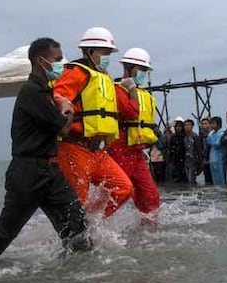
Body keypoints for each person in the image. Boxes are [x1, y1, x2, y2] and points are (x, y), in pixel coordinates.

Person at [0, 38, 92, 266]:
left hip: (50, 170)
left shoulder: (46, 92)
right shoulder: (31, 92)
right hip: (28, 173)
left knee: (78, 225)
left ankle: (78, 275)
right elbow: (63, 127)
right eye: (57, 60)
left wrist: (59, 104)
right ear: (40, 61)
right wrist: (67, 109)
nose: (62, 65)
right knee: (6, 231)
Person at [52, 27, 133, 217]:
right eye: (104, 53)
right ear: (88, 51)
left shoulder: (104, 77)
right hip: (74, 148)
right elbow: (59, 95)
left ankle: (91, 224)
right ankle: (75, 235)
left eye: (109, 53)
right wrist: (63, 105)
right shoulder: (76, 71)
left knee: (123, 188)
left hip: (96, 150)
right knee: (77, 201)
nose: (107, 57)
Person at [107, 47, 161, 218]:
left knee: (151, 195)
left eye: (146, 71)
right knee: (116, 193)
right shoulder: (117, 90)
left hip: (137, 151)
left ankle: (149, 228)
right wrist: (130, 89)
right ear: (129, 68)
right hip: (120, 150)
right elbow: (131, 112)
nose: (143, 74)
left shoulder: (143, 94)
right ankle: (93, 223)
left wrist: (143, 146)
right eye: (141, 70)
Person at [205, 116, 226, 185]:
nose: (212, 125)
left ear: (218, 124)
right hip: (212, 159)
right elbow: (207, 141)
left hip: (219, 159)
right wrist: (211, 138)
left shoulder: (222, 132)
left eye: (213, 123)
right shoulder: (212, 133)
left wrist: (211, 139)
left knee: (221, 179)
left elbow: (217, 144)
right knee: (214, 180)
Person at [168, 117, 187, 183]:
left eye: (180, 126)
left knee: (185, 177)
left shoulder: (185, 136)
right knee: (176, 178)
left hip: (184, 159)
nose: (178, 128)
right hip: (175, 160)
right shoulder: (173, 137)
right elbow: (170, 149)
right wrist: (170, 161)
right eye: (177, 126)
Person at [183, 119, 202, 184]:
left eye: (189, 125)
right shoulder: (185, 137)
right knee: (188, 180)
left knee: (192, 180)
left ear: (192, 126)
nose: (187, 127)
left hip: (194, 162)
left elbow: (199, 150)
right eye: (185, 125)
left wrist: (199, 163)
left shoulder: (195, 136)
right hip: (186, 162)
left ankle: (194, 192)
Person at [199, 118, 213, 185]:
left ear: (210, 125)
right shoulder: (200, 137)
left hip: (214, 160)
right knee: (207, 181)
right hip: (205, 161)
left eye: (206, 123)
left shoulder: (213, 135)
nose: (204, 125)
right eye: (203, 124)